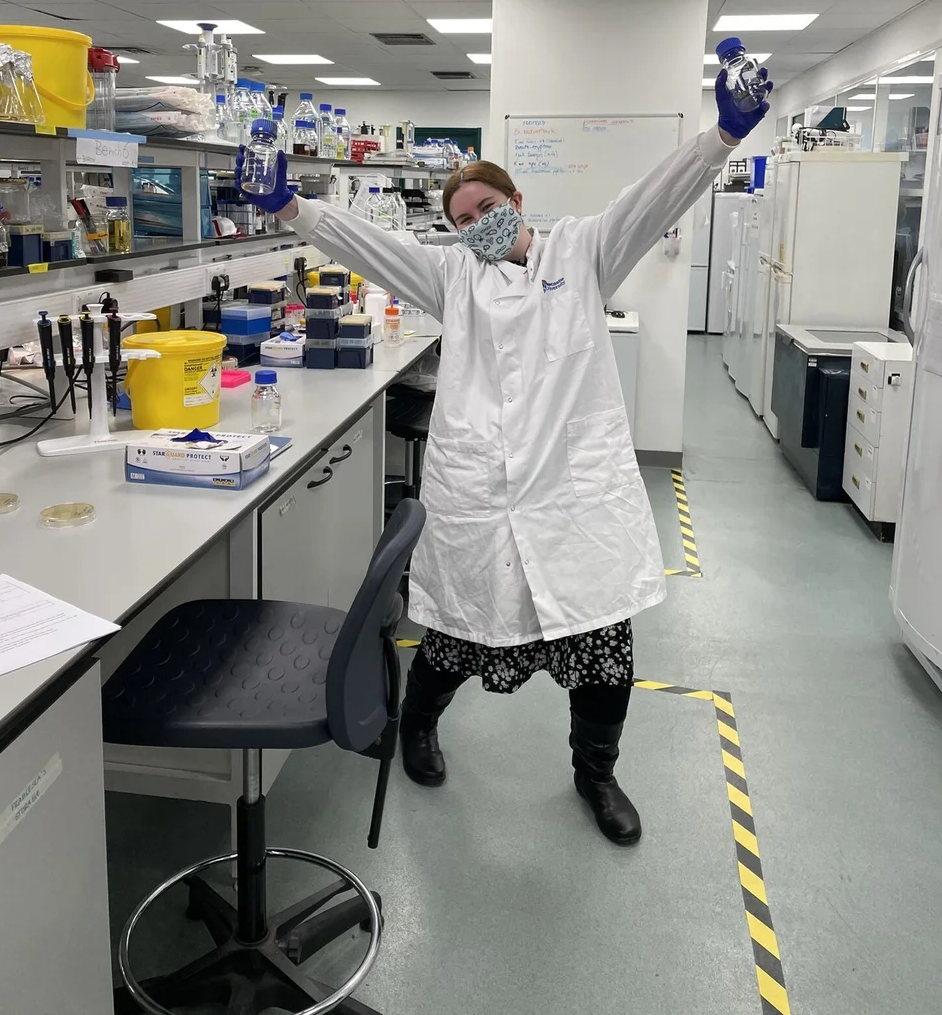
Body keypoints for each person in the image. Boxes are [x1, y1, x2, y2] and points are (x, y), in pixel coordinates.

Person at [236, 69, 771, 845]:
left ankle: (597, 774)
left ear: (515, 201)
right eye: (462, 219)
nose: (477, 224)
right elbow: (374, 246)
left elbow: (655, 198)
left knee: (602, 651)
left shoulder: (583, 250)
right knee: (454, 637)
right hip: (481, 495)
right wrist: (293, 207)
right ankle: (418, 727)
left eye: (487, 208)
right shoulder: (453, 275)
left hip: (571, 500)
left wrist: (722, 137)